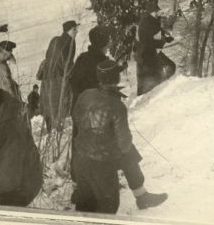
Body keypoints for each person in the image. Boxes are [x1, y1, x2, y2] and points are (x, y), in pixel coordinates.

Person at [69, 25, 166, 210]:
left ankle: (79, 189)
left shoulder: (82, 58)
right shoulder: (102, 65)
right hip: (99, 115)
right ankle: (141, 195)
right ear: (106, 42)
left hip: (81, 111)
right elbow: (102, 88)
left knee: (80, 149)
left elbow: (75, 81)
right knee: (127, 151)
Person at [39, 20, 78, 133]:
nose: (77, 32)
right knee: (58, 102)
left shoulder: (55, 40)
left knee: (48, 102)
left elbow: (48, 56)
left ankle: (50, 127)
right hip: (58, 78)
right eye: (74, 30)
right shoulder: (69, 42)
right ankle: (57, 130)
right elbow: (67, 63)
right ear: (68, 31)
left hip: (47, 76)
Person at [135, 0, 174, 96]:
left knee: (169, 67)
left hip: (151, 52)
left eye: (158, 10)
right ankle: (143, 101)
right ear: (151, 12)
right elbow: (148, 42)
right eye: (156, 11)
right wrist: (162, 41)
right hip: (144, 55)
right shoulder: (146, 23)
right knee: (147, 80)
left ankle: (160, 90)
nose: (158, 13)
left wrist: (166, 37)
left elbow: (157, 32)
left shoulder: (153, 20)